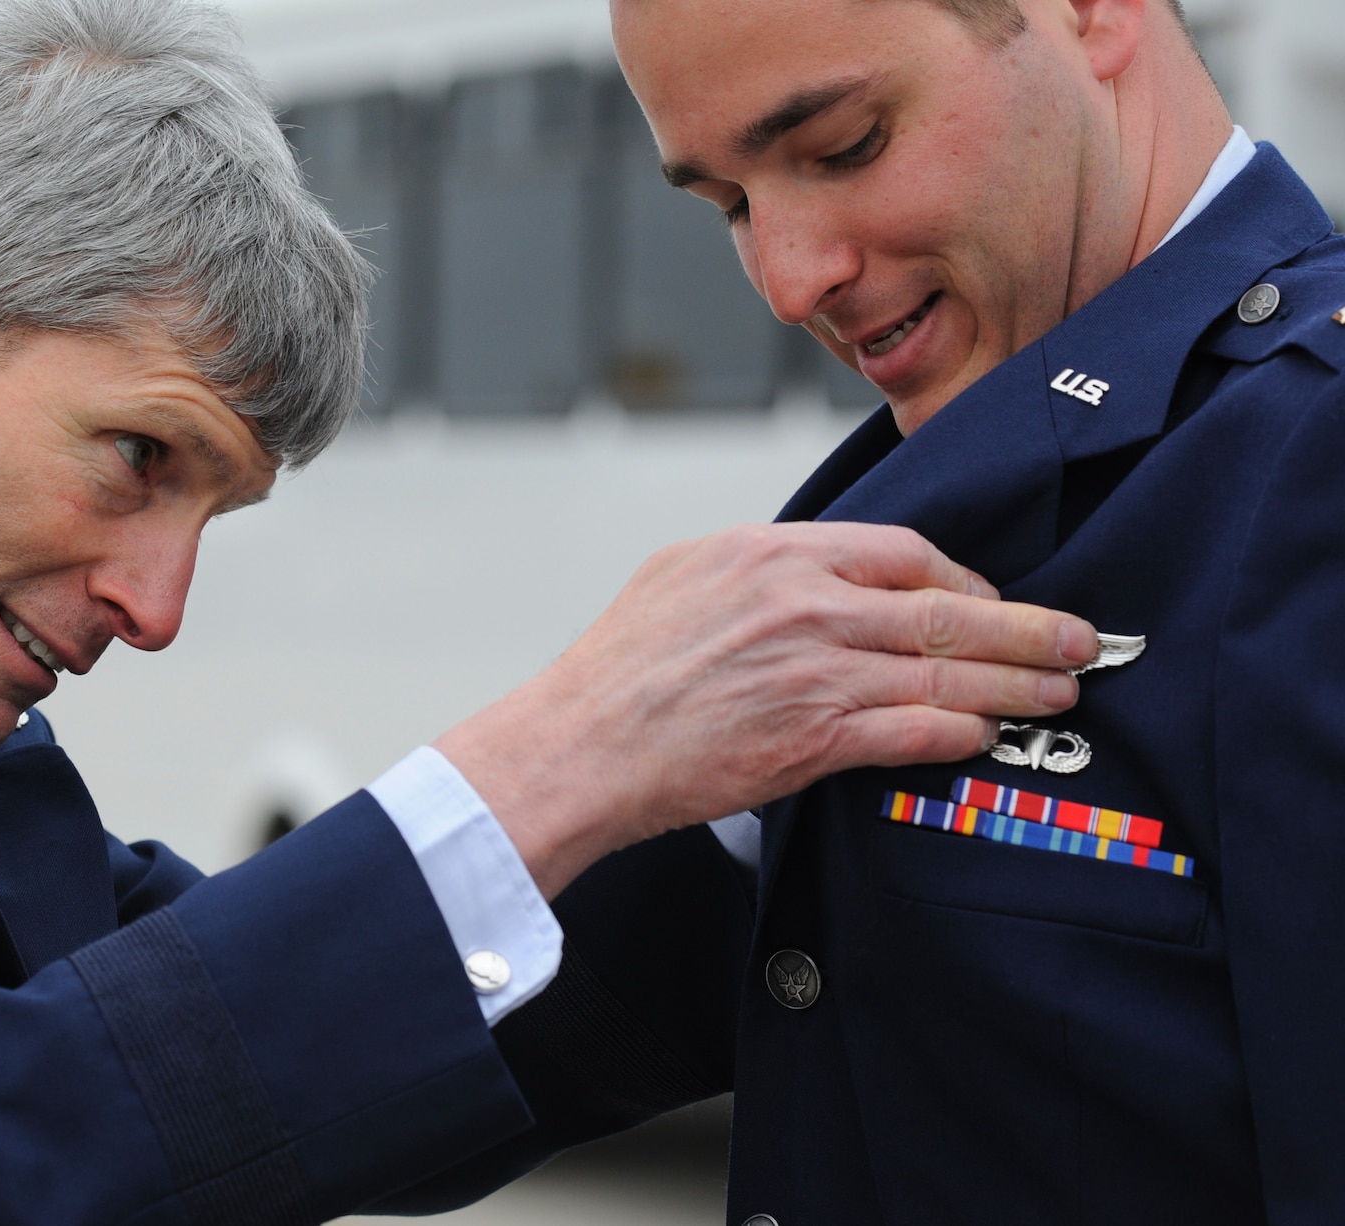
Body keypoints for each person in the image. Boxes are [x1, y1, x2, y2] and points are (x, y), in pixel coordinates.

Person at [0, 1, 1094, 1222]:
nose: (158, 606)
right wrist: (557, 752)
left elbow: (245, 1060)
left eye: (211, 515)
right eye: (135, 456)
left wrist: (735, 821)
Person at [493, 0, 1341, 1219]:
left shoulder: (1310, 455)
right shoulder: (941, 475)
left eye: (843, 146)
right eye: (727, 205)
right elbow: (523, 1037)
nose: (788, 281)